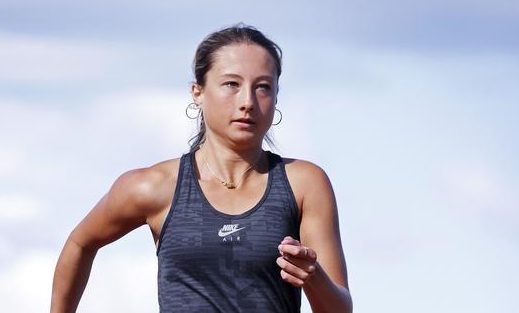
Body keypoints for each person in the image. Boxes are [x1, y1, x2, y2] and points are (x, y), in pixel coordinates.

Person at [50, 24, 352, 313]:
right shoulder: (155, 186)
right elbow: (80, 243)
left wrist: (313, 277)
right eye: (231, 84)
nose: (247, 101)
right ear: (198, 93)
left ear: (275, 97)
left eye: (263, 87)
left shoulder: (304, 184)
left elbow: (340, 309)